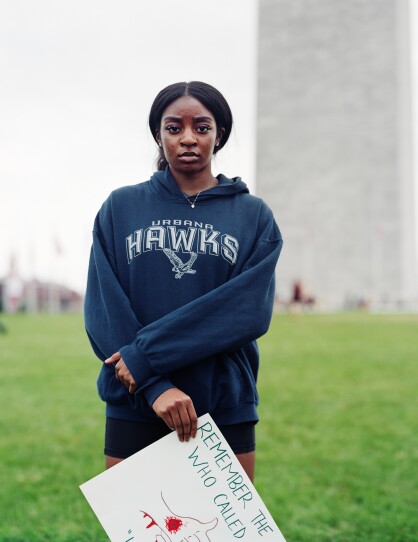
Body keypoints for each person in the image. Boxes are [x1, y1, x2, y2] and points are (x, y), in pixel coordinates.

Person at [84, 81, 282, 482]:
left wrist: (145, 358)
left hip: (224, 401)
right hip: (136, 399)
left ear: (219, 134)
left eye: (202, 127)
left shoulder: (253, 216)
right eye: (174, 128)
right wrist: (154, 385)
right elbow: (106, 308)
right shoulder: (120, 208)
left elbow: (246, 312)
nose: (188, 138)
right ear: (158, 135)